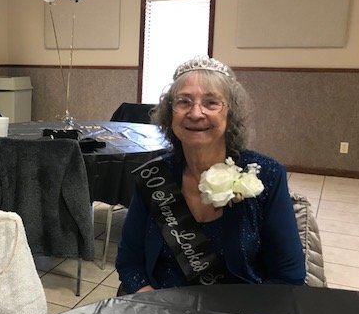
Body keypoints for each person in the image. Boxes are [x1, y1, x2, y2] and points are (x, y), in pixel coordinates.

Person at [116, 56, 305, 294]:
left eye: (211, 103)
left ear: (231, 114)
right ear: (170, 113)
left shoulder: (267, 174)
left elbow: (289, 277)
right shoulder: (155, 176)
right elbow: (129, 261)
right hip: (161, 312)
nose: (196, 113)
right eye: (184, 102)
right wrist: (150, 302)